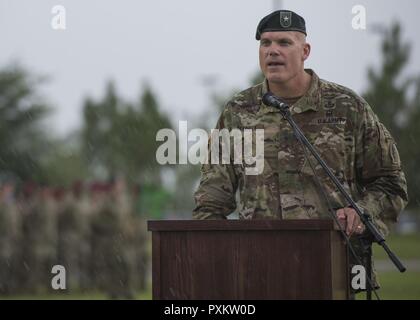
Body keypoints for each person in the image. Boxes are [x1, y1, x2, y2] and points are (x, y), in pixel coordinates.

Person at [192, 10, 408, 291]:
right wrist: (216, 262)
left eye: (284, 43)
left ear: (305, 50)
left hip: (335, 268)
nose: (272, 51)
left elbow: (391, 184)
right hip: (259, 274)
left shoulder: (346, 107)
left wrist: (362, 213)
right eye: (265, 43)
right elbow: (211, 203)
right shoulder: (238, 112)